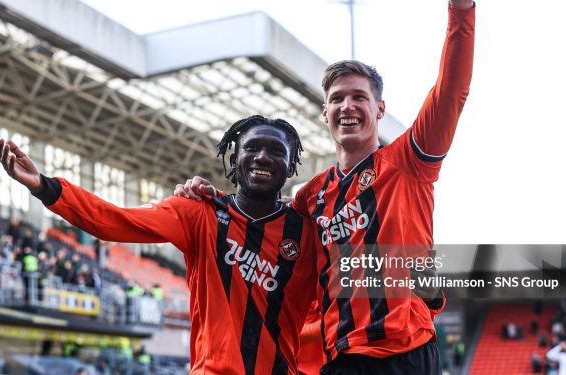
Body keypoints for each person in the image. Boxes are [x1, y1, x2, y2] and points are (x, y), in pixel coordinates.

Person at [175, 1, 475, 373]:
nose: (347, 106)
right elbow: (262, 213)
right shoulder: (311, 196)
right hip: (342, 358)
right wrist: (215, 198)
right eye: (337, 99)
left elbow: (452, 92)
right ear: (325, 112)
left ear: (379, 109)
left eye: (359, 97)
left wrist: (462, 11)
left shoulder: (408, 162)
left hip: (403, 353)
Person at [0, 115, 320, 374]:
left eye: (277, 151)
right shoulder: (200, 211)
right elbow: (113, 220)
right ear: (235, 159)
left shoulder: (310, 233)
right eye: (252, 148)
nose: (262, 156)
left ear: (291, 167)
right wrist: (45, 187)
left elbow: (355, 300)